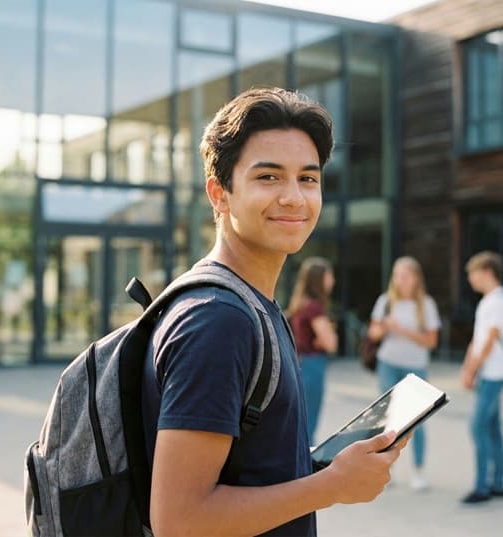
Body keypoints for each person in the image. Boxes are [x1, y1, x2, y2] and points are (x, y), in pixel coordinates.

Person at [141, 87, 408, 537]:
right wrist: (332, 485)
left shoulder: (252, 305)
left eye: (308, 178)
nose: (294, 198)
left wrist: (323, 464)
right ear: (219, 194)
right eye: (268, 177)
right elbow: (179, 521)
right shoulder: (218, 320)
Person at [366, 256, 441, 491]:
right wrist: (384, 328)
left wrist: (402, 331)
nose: (400, 281)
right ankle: (386, 470)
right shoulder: (385, 301)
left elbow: (431, 341)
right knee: (389, 418)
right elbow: (373, 333)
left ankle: (418, 471)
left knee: (416, 420)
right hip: (388, 363)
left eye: (405, 276)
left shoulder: (426, 304)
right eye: (397, 276)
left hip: (415, 368)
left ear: (416, 279)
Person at [460, 251, 503, 504]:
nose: (470, 279)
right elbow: (478, 339)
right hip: (492, 372)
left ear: (485, 272)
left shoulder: (497, 302)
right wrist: (468, 367)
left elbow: (489, 342)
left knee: (478, 427)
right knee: (493, 429)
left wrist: (471, 370)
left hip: (493, 373)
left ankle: (483, 487)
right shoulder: (490, 301)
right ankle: (498, 484)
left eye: (472, 274)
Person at [287, 256, 337, 445]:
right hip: (313, 366)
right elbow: (331, 343)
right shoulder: (315, 308)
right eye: (329, 276)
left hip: (301, 363)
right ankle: (304, 469)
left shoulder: (300, 303)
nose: (333, 281)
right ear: (319, 279)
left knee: (302, 420)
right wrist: (327, 337)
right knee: (310, 423)